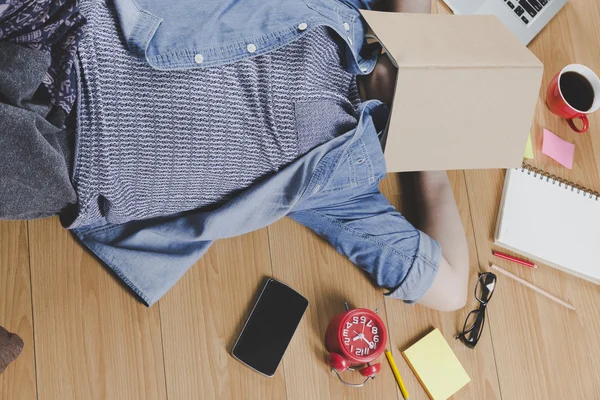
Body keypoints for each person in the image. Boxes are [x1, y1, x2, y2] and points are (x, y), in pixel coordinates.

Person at [1, 0, 469, 311]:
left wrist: (423, 156)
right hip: (65, 29)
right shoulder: (349, 11)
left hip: (70, 157)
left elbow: (449, 286)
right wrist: (407, 41)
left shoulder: (348, 184)